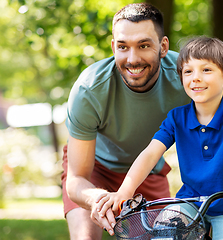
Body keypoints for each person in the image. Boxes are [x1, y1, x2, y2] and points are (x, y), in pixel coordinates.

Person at [96, 36, 223, 239]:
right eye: (188, 71)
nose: (195, 77)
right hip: (189, 201)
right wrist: (125, 191)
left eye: (206, 70)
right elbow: (151, 153)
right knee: (164, 231)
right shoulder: (176, 118)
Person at [61, 3, 189, 239]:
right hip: (95, 169)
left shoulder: (187, 77)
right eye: (123, 46)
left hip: (148, 171)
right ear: (113, 47)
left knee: (166, 236)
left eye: (143, 45)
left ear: (163, 47)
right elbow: (76, 178)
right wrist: (100, 200)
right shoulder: (89, 90)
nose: (133, 59)